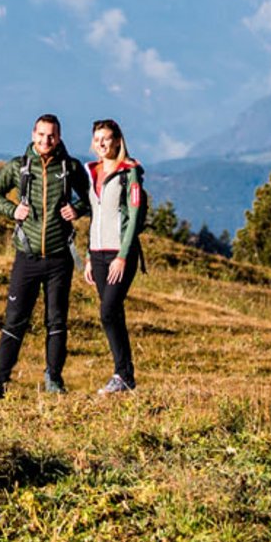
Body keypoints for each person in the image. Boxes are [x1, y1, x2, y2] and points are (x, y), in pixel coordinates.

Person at [0, 112, 90, 397]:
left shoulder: (70, 167)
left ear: (59, 137)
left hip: (59, 258)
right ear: (33, 135)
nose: (46, 140)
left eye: (51, 135)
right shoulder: (19, 167)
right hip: (27, 256)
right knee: (14, 320)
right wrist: (12, 210)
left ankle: (54, 380)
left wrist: (77, 209)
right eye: (42, 135)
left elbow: (92, 199)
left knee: (56, 321)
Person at [83, 117, 148, 396]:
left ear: (118, 140)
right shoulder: (93, 171)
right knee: (113, 313)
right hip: (97, 254)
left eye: (106, 138)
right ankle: (125, 376)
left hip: (120, 253)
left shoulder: (128, 172)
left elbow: (134, 217)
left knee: (108, 311)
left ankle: (123, 374)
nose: (101, 143)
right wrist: (87, 254)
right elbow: (94, 216)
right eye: (97, 139)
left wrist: (123, 255)